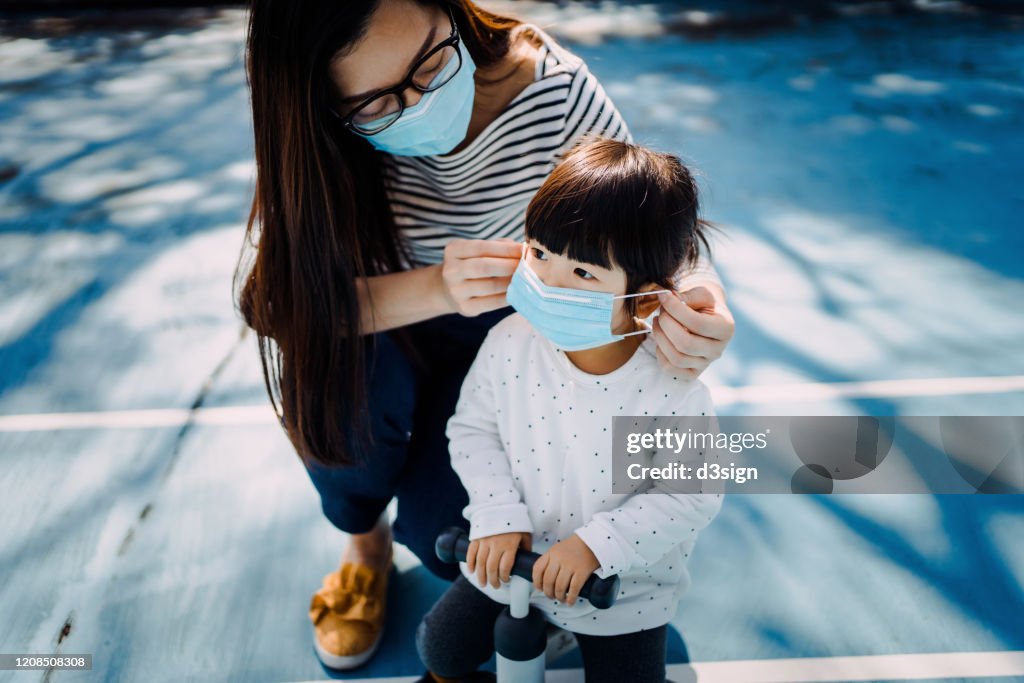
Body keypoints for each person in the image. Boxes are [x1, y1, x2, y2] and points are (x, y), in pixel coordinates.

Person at [237, 0, 735, 670]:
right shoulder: (318, 140)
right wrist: (436, 290)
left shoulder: (555, 93)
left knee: (452, 537)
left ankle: (413, 532)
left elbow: (642, 219)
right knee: (338, 402)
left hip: (509, 336)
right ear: (323, 105)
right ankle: (362, 544)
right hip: (385, 331)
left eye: (430, 64)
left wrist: (706, 302)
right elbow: (277, 306)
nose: (417, 103)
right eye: (377, 104)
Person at [415, 137, 726, 683]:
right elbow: (472, 431)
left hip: (621, 585)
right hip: (509, 557)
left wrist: (597, 546)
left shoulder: (673, 389)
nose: (547, 283)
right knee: (439, 653)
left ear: (646, 300)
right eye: (538, 254)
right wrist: (495, 512)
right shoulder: (510, 341)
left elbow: (690, 496)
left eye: (583, 273)